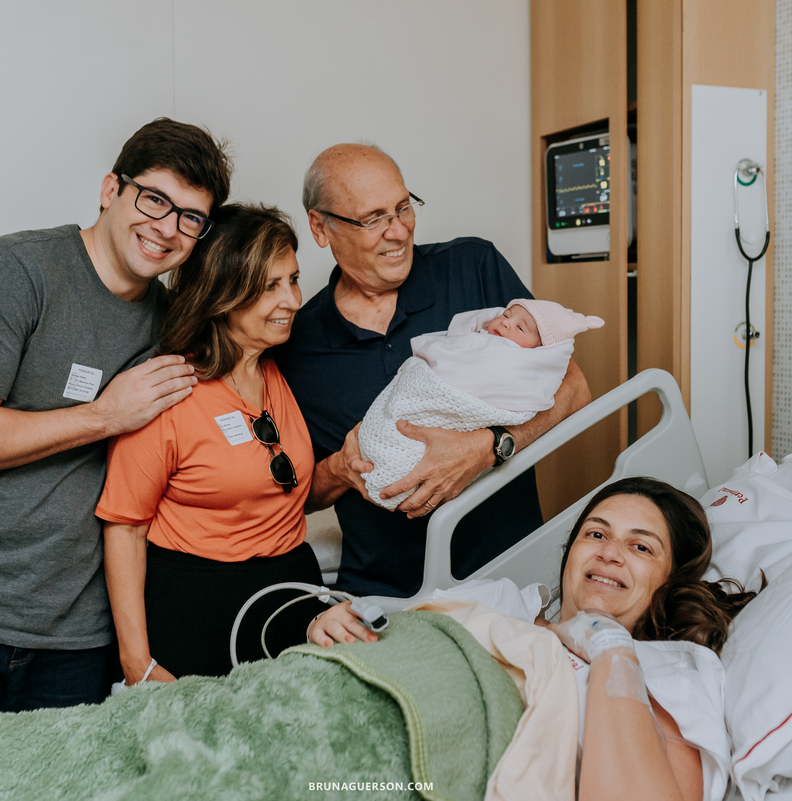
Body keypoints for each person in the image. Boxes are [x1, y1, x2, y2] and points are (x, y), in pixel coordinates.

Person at [0, 118, 231, 730]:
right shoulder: (11, 271)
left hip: (75, 638)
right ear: (110, 190)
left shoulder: (171, 324)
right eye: (155, 200)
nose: (167, 229)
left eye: (190, 217)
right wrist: (104, 416)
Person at [309, 475, 760, 800]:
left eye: (640, 547)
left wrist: (608, 644)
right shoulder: (501, 603)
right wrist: (334, 631)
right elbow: (395, 644)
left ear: (670, 579)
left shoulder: (671, 669)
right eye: (596, 533)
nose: (609, 553)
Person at [274, 143, 593, 598]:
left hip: (508, 577)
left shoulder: (473, 269)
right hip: (384, 595)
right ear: (321, 228)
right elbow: (295, 494)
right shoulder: (296, 343)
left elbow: (574, 388)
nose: (399, 230)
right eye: (374, 218)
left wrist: (488, 447)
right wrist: (340, 470)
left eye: (403, 207)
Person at [96, 204, 326, 684]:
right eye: (269, 287)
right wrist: (138, 663)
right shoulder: (169, 391)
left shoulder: (275, 371)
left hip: (292, 595)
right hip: (196, 611)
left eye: (293, 280)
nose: (292, 300)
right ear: (223, 296)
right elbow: (124, 529)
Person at [359, 299, 604, 509]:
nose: (507, 322)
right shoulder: (476, 338)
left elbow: (577, 392)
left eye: (520, 327)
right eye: (506, 315)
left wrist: (485, 445)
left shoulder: (523, 365)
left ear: (538, 351)